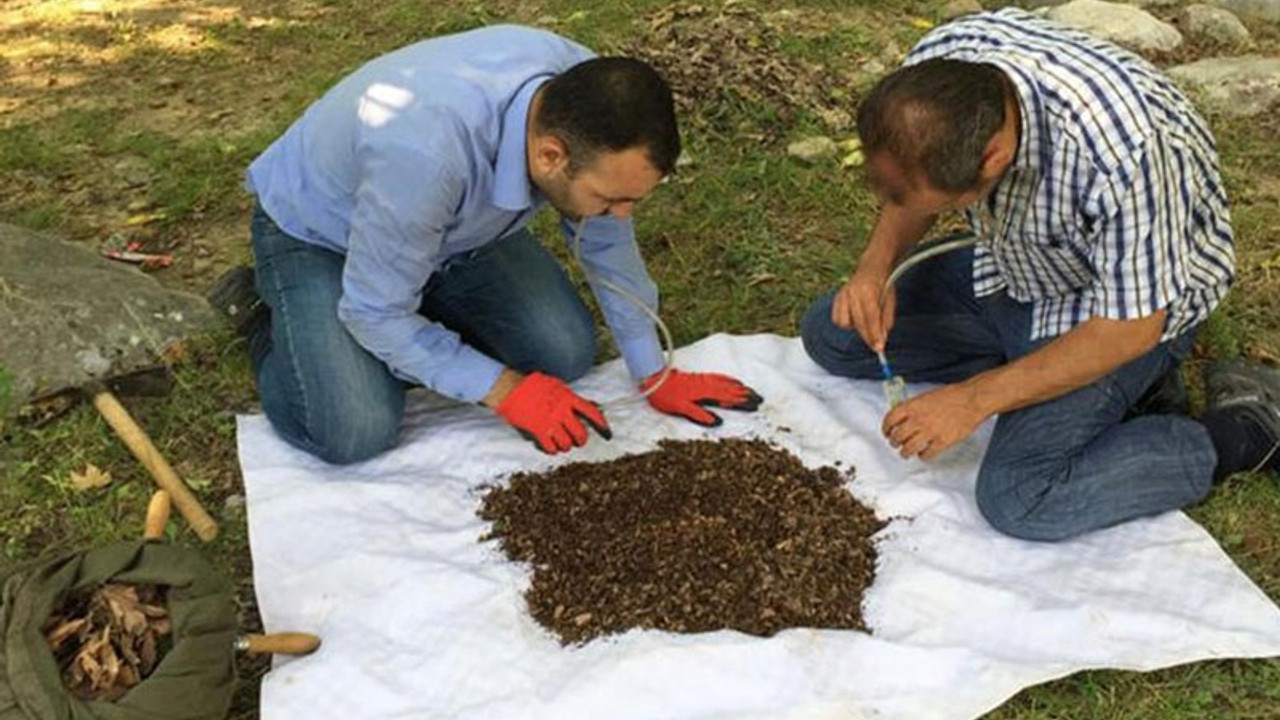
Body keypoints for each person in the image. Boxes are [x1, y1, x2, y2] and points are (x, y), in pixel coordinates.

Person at [800, 9, 1280, 541]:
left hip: (1119, 313)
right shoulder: (935, 78)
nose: (895, 204)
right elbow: (912, 186)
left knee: (1021, 498)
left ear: (992, 157)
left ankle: (1244, 431)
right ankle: (1105, 390)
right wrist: (873, 270)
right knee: (832, 335)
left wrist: (975, 399)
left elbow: (1133, 326)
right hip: (1017, 267)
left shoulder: (1123, 154)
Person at [210, 24, 761, 464]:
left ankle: (412, 301)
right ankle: (268, 316)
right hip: (323, 235)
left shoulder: (585, 96)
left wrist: (652, 367)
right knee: (353, 428)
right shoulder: (424, 154)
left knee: (561, 352)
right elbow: (374, 310)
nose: (620, 216)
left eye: (632, 201)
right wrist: (505, 391)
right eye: (610, 199)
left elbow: (606, 243)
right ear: (550, 156)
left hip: (455, 231)